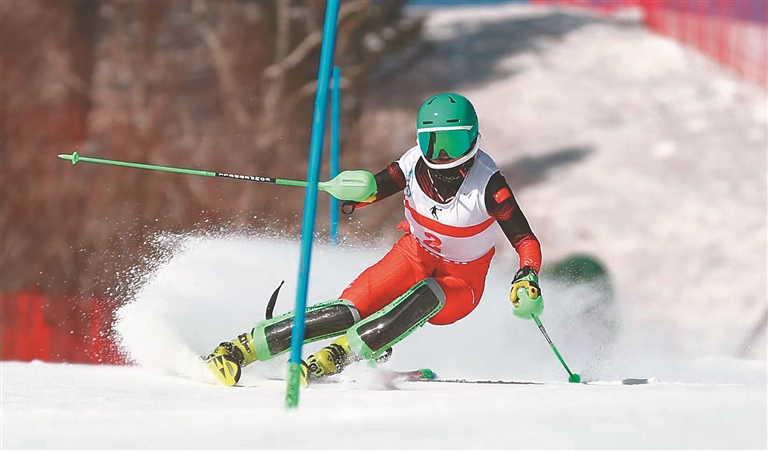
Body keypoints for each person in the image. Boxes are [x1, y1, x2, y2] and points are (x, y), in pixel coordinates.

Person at [205, 93, 544, 387]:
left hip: (461, 281)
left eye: (452, 143)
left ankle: (338, 355)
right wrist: (356, 189)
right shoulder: (413, 163)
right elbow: (378, 187)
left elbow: (525, 240)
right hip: (414, 254)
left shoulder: (489, 186)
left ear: (473, 140)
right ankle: (240, 349)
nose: (441, 155)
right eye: (432, 143)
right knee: (347, 311)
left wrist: (526, 277)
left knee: (427, 295)